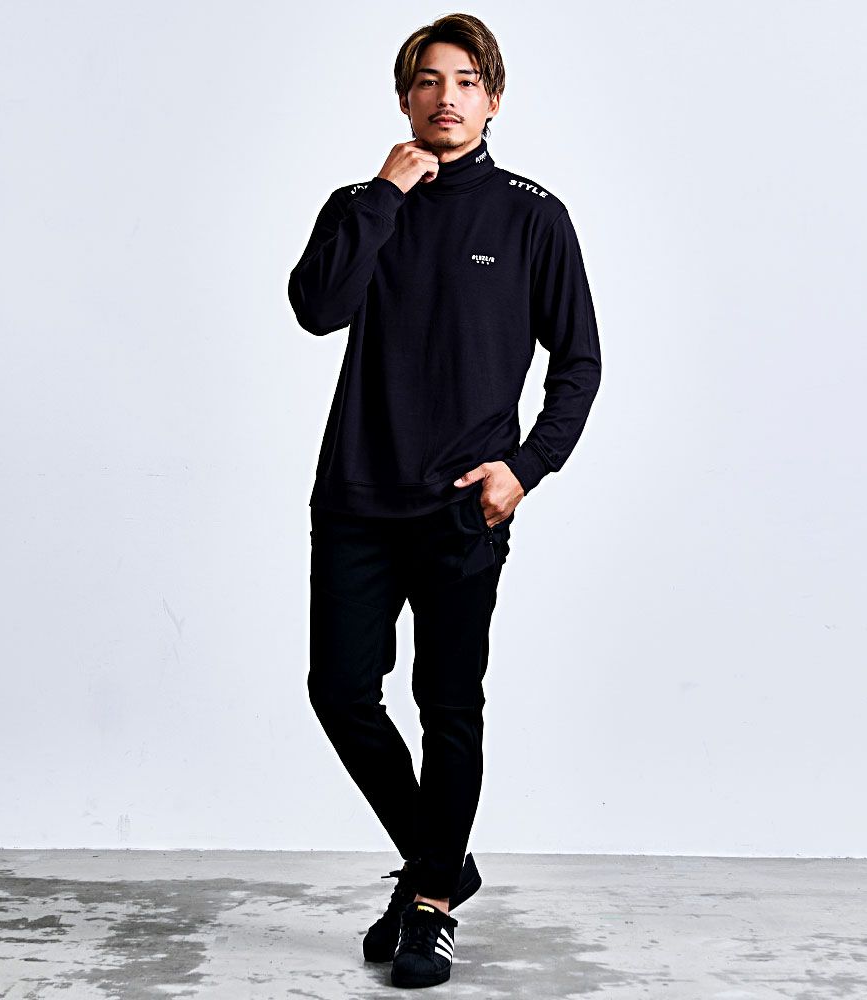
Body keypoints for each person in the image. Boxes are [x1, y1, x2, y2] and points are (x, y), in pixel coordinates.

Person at [287, 12, 602, 990]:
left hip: (464, 506)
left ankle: (428, 907)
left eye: (466, 81)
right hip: (355, 495)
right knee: (341, 692)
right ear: (404, 98)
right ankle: (441, 864)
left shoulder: (531, 215)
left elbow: (579, 364)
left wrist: (525, 469)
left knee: (448, 706)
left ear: (493, 99)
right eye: (428, 80)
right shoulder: (359, 205)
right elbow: (317, 308)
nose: (447, 97)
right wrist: (386, 193)